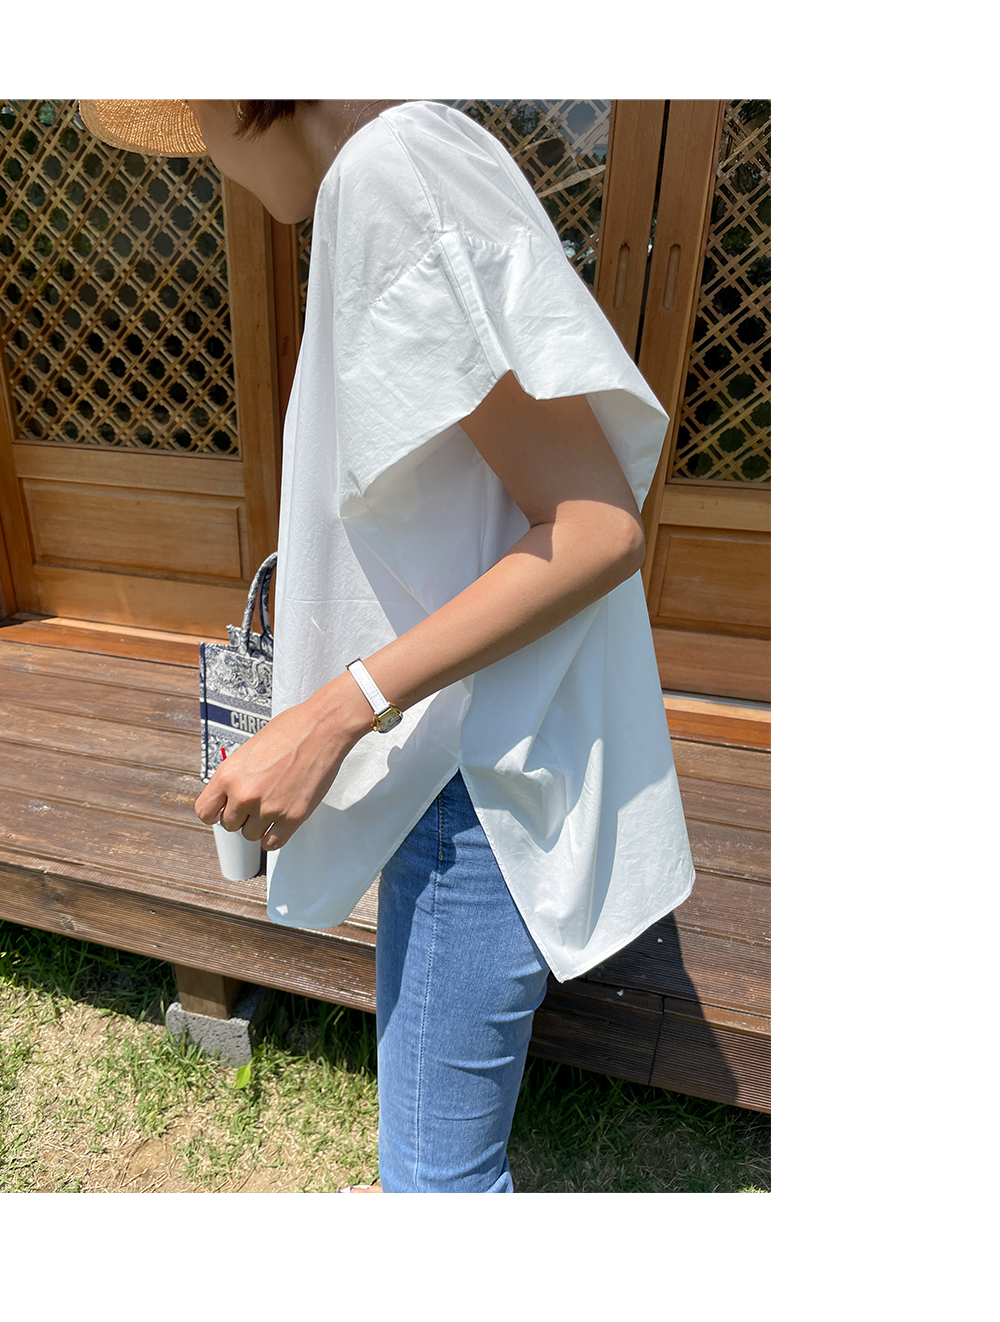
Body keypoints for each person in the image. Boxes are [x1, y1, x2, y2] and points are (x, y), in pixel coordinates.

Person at [80, 99, 696, 1193]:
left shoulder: (392, 176)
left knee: (435, 1181)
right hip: (470, 750)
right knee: (430, 1165)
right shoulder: (409, 161)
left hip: (475, 775)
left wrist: (331, 713)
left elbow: (596, 526)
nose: (208, 160)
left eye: (194, 120)